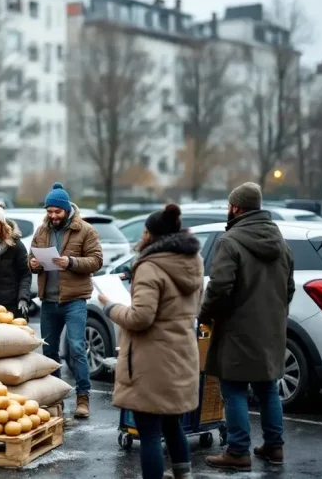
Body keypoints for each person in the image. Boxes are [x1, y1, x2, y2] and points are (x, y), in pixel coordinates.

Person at [98, 204, 203, 479]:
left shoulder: (150, 267)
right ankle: (183, 474)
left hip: (152, 361)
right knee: (172, 424)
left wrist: (111, 307)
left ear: (151, 235)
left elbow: (141, 318)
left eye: (144, 232)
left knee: (150, 432)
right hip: (182, 355)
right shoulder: (193, 262)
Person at [199, 182, 294, 471]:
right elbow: (289, 288)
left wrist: (205, 314)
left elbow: (219, 288)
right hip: (271, 329)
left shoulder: (231, 241)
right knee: (267, 388)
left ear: (236, 208)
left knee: (233, 388)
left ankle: (238, 451)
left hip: (237, 330)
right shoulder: (280, 241)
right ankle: (274, 447)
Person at [29, 182, 103, 419]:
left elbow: (96, 261)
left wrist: (70, 262)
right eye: (49, 211)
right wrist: (33, 264)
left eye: (57, 212)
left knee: (77, 348)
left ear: (67, 210)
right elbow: (31, 257)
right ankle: (56, 396)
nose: (53, 216)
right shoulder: (42, 231)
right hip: (48, 300)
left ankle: (83, 397)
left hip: (74, 299)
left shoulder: (85, 230)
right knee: (49, 350)